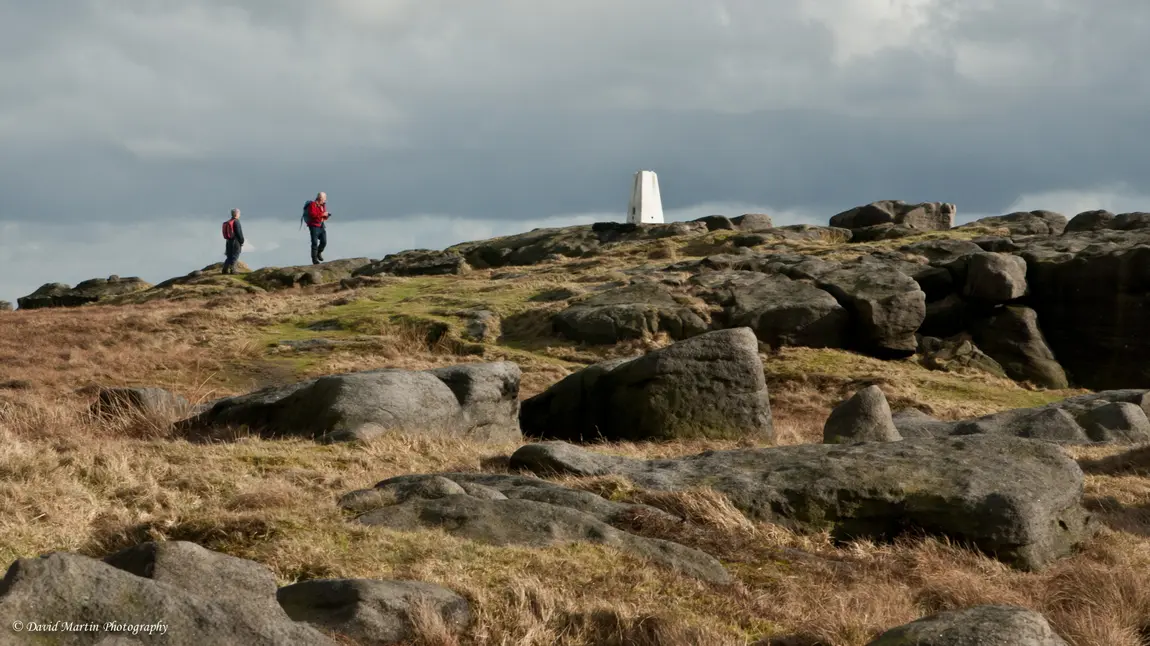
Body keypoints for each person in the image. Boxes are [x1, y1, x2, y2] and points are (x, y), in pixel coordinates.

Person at [303, 192, 332, 264]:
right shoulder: (313, 205)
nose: (325, 200)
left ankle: (319, 253)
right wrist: (322, 214)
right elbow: (312, 214)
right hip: (313, 226)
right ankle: (314, 260)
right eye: (324, 198)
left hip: (321, 225)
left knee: (324, 242)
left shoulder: (323, 205)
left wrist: (326, 215)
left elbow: (323, 217)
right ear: (320, 198)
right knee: (314, 243)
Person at [221, 208, 245, 274]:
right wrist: (242, 241)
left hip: (228, 241)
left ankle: (224, 270)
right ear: (237, 214)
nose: (239, 214)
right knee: (235, 255)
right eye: (239, 213)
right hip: (235, 241)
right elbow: (239, 232)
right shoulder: (236, 221)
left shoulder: (229, 221)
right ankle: (233, 270)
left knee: (229, 255)